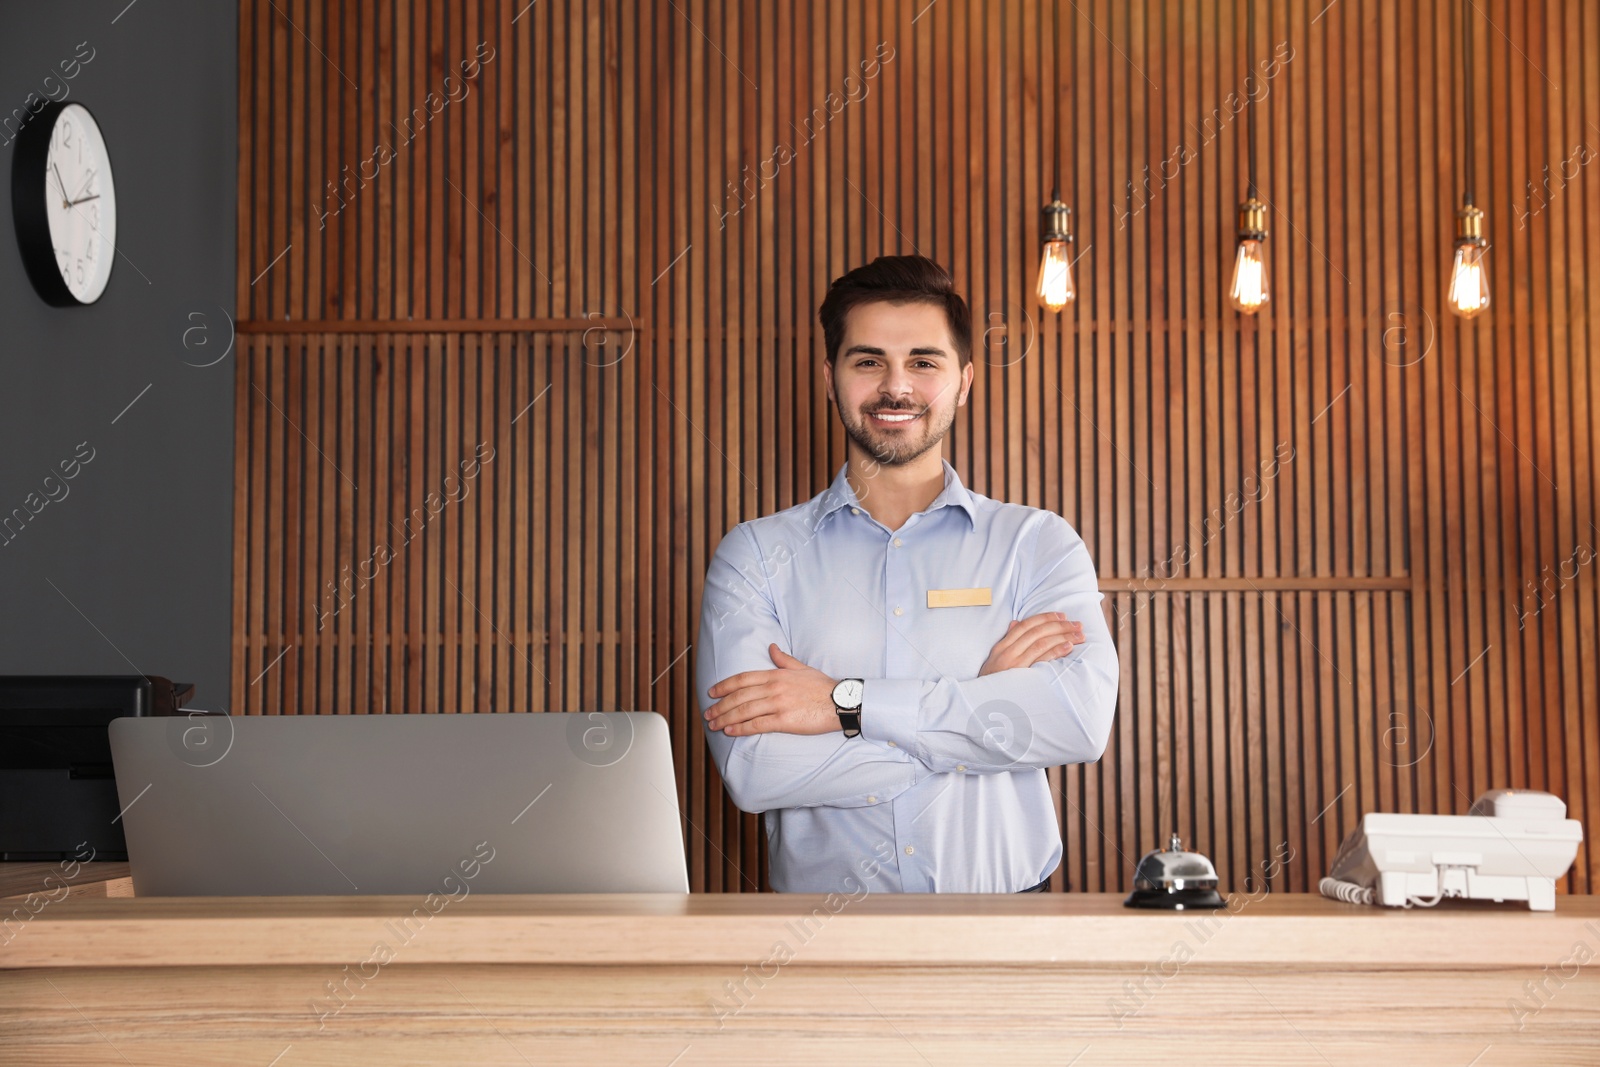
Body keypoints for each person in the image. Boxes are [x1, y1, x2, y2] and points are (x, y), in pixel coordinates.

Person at [695, 255, 1118, 893]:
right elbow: (756, 770)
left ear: (965, 381)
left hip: (1005, 928)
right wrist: (979, 709)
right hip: (816, 944)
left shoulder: (1037, 544)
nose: (897, 387)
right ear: (830, 378)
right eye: (868, 362)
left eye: (924, 361)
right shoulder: (754, 555)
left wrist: (844, 704)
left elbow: (1078, 723)